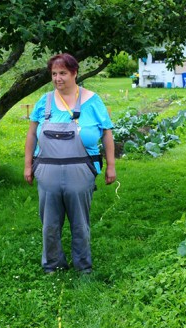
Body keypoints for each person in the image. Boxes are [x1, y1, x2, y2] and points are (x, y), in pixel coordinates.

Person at [24, 53, 116, 274]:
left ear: (75, 73)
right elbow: (31, 135)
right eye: (54, 74)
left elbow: (107, 133)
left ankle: (83, 266)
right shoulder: (43, 102)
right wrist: (28, 165)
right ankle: (52, 265)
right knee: (50, 224)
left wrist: (111, 166)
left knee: (80, 223)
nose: (58, 78)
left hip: (81, 170)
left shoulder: (93, 101)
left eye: (63, 73)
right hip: (47, 171)